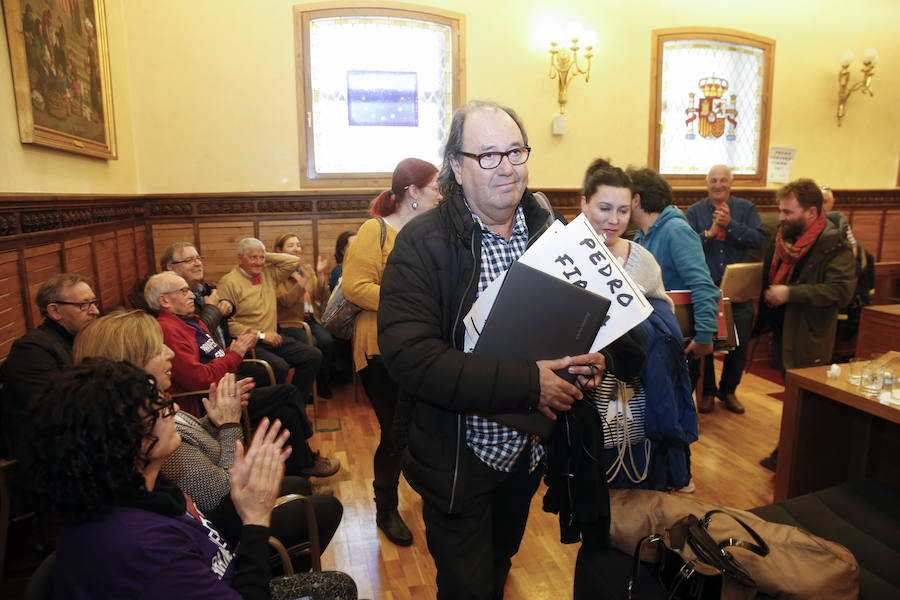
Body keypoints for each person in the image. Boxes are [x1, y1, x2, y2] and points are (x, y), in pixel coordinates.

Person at [378, 101, 605, 599]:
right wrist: (530, 384)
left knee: (500, 566)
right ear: (456, 168)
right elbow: (410, 357)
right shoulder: (421, 243)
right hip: (460, 464)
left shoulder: (549, 230)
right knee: (467, 589)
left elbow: (580, 318)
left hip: (526, 456)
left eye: (515, 151)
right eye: (487, 155)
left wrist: (591, 357)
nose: (506, 167)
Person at [19, 358, 356, 599]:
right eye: (160, 408)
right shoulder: (139, 546)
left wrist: (243, 499)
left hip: (225, 575)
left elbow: (208, 532)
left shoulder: (143, 487)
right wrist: (255, 521)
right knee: (337, 588)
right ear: (126, 440)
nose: (174, 410)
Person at [73, 309, 343, 573]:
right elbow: (224, 496)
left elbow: (195, 440)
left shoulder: (149, 413)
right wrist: (229, 425)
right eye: (157, 350)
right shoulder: (150, 437)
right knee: (326, 508)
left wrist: (212, 421)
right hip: (228, 532)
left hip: (221, 507)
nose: (169, 353)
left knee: (298, 482)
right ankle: (276, 579)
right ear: (129, 365)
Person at [145, 273, 340, 478]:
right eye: (183, 291)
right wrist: (235, 355)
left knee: (287, 412)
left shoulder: (192, 321)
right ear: (164, 300)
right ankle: (306, 452)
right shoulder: (169, 329)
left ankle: (299, 469)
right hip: (212, 402)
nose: (192, 295)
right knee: (288, 393)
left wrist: (234, 349)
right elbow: (198, 378)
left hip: (227, 386)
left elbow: (215, 357)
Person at [341, 157, 442, 547]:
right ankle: (385, 508)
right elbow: (355, 287)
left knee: (423, 427)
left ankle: (430, 495)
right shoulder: (376, 229)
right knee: (396, 432)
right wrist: (410, 301)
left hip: (421, 346)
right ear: (413, 191)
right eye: (436, 188)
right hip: (379, 349)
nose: (441, 195)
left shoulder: (429, 232)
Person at [755, 179, 856, 471]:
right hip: (784, 329)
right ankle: (789, 452)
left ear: (811, 212)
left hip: (809, 334)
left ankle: (797, 459)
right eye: (781, 211)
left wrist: (791, 293)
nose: (781, 218)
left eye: (788, 212)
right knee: (793, 397)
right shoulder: (786, 239)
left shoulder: (834, 245)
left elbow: (841, 291)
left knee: (806, 402)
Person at [685, 165, 766, 414]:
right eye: (713, 180)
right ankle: (707, 392)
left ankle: (728, 391)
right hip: (706, 290)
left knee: (739, 346)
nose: (718, 185)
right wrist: (710, 233)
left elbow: (759, 239)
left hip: (739, 290)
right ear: (706, 184)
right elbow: (686, 243)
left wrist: (731, 225)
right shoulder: (694, 211)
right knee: (707, 344)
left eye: (723, 180)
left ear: (731, 183)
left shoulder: (746, 208)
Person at [629, 167, 720, 386]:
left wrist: (704, 335)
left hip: (677, 338)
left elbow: (703, 285)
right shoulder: (641, 236)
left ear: (636, 200)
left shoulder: (675, 230)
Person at [0, 273, 99, 456]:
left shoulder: (82, 339)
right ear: (55, 311)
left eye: (94, 303)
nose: (95, 311)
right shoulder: (31, 351)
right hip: (46, 452)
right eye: (83, 305)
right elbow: (57, 413)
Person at [217, 238, 322, 403]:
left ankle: (295, 402)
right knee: (279, 367)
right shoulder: (229, 282)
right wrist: (262, 335)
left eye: (262, 258)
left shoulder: (268, 273)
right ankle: (276, 406)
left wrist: (264, 254)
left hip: (274, 337)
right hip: (249, 343)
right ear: (239, 258)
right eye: (253, 257)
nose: (259, 262)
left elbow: (293, 261)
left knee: (312, 355)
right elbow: (228, 324)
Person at [273, 232, 335, 399]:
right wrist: (303, 280)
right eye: (291, 245)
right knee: (312, 344)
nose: (296, 249)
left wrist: (320, 274)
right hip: (289, 322)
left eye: (298, 245)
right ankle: (303, 390)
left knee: (327, 341)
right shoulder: (276, 273)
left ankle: (322, 384)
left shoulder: (305, 268)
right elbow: (286, 301)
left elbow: (319, 296)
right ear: (279, 250)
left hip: (310, 319)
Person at [161, 241, 234, 348]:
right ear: (171, 267)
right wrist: (212, 308)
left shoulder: (203, 288)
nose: (198, 263)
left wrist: (228, 305)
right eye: (189, 260)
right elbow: (197, 335)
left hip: (224, 352)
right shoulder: (172, 299)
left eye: (198, 258)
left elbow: (221, 316)